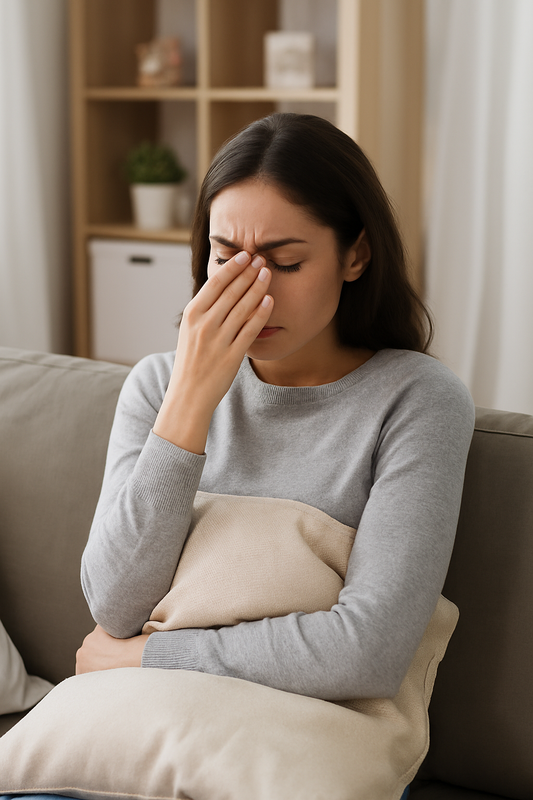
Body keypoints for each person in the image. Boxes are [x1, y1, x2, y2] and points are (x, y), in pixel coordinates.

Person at [74, 112, 473, 795]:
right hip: (136, 737)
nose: (251, 291)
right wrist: (190, 404)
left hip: (292, 754)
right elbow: (113, 604)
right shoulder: (156, 386)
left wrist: (150, 656)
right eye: (225, 256)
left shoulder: (416, 399)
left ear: (355, 254)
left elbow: (367, 651)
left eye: (285, 262)